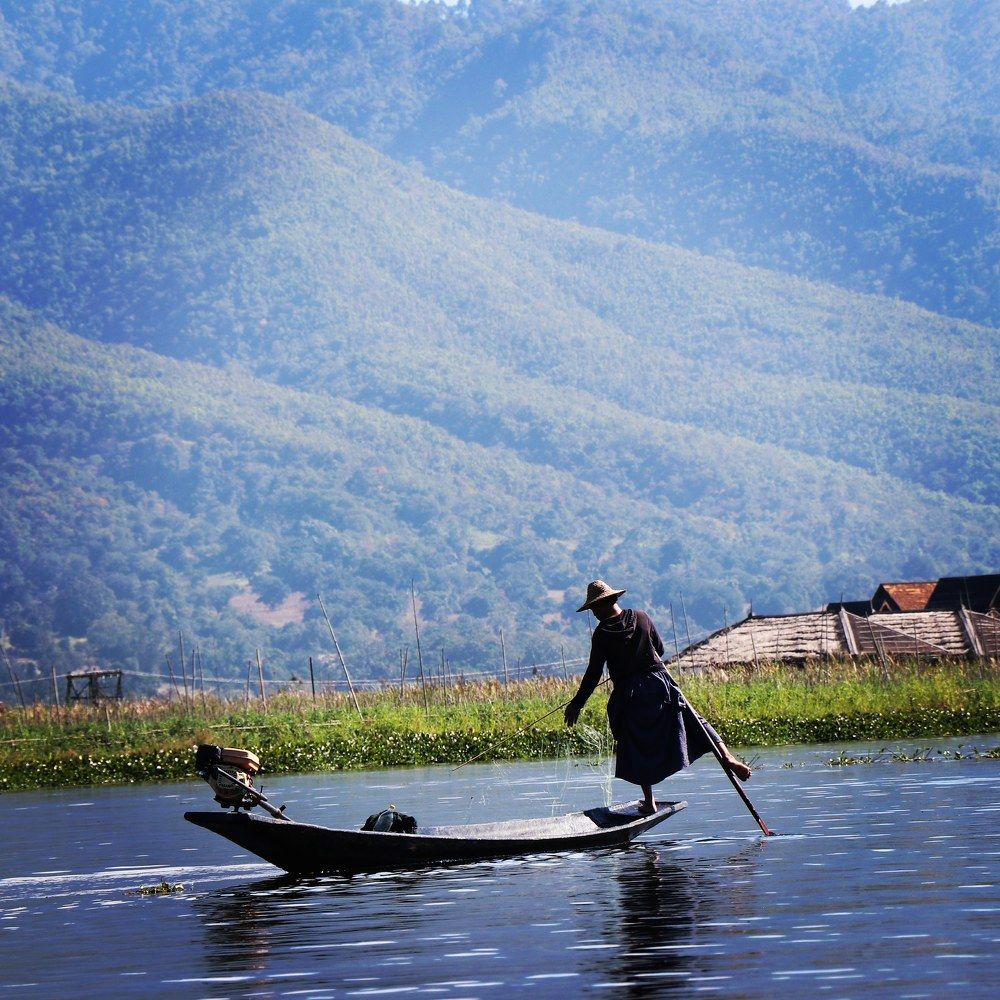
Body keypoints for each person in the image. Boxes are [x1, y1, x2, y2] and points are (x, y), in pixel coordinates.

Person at [565, 579, 751, 814]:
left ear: (605, 603)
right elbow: (659, 649)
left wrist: (577, 704)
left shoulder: (602, 634)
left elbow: (593, 673)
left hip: (630, 694)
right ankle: (727, 757)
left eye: (594, 608)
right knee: (696, 721)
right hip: (659, 683)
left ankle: (650, 801)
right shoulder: (641, 617)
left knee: (636, 742)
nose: (593, 614)